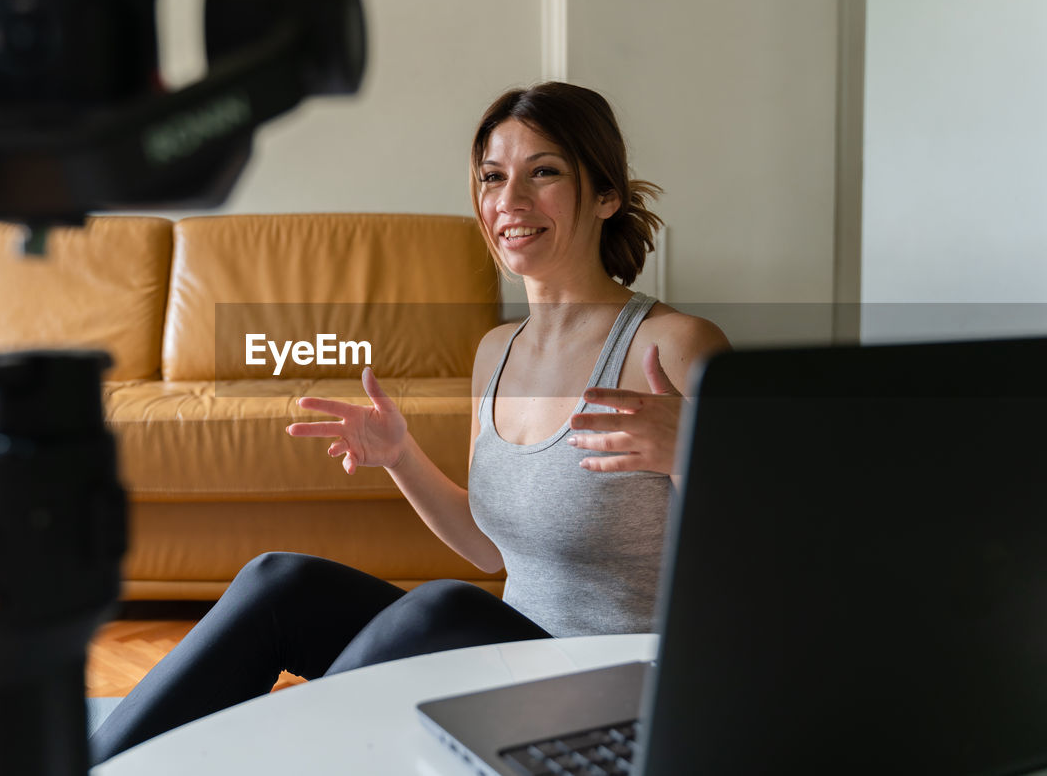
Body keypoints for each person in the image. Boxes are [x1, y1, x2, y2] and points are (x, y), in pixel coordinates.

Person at [89, 82, 730, 763]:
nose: (509, 200)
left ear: (606, 195)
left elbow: (755, 571)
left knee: (443, 610)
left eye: (543, 172)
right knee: (281, 583)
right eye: (492, 176)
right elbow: (492, 553)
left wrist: (688, 452)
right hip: (515, 668)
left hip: (625, 692)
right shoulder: (497, 351)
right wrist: (400, 455)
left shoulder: (675, 347)